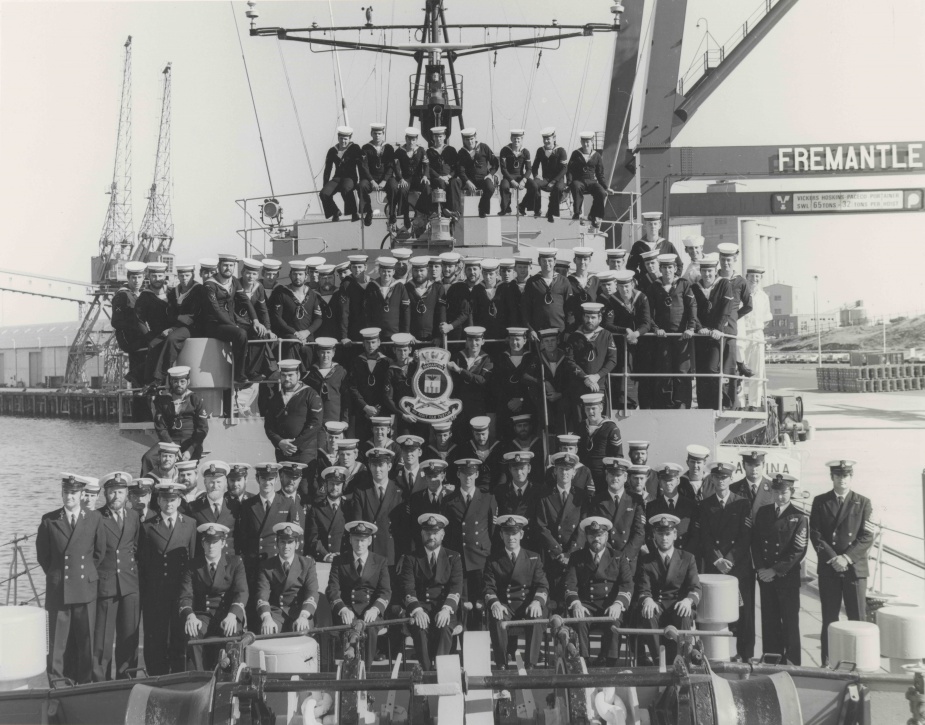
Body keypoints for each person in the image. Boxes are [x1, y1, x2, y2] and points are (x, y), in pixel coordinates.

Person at [37, 473, 106, 683]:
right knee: (57, 644)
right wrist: (58, 575)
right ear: (62, 493)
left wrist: (84, 575)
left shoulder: (94, 518)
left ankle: (84, 685)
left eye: (74, 493)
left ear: (81, 494)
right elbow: (43, 556)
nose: (70, 497)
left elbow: (99, 553)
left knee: (86, 642)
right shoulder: (49, 520)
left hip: (85, 589)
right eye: (66, 492)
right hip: (60, 590)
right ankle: (57, 683)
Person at [810, 460, 874, 665]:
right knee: (829, 618)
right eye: (838, 476)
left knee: (857, 619)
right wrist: (833, 558)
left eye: (845, 476)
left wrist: (846, 557)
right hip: (830, 568)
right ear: (832, 478)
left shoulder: (863, 502)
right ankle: (827, 663)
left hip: (854, 569)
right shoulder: (820, 502)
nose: (842, 479)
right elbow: (816, 534)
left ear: (851, 477)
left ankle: (859, 662)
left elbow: (867, 537)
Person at [693, 462, 754, 660]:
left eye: (725, 477)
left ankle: (745, 655)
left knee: (743, 612)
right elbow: (704, 537)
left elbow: (745, 536)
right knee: (711, 610)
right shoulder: (704, 505)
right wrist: (717, 559)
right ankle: (709, 652)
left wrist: (729, 559)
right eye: (717, 477)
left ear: (731, 479)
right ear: (712, 479)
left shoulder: (743, 503)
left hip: (737, 566)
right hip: (714, 566)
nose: (721, 481)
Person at [138, 481, 197, 675]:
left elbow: (193, 560)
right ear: (158, 501)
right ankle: (156, 676)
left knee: (179, 639)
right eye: (165, 499)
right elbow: (143, 563)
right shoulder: (147, 527)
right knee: (156, 640)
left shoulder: (190, 524)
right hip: (156, 593)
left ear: (179, 500)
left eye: (173, 499)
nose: (169, 504)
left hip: (180, 593)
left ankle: (179, 676)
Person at [751, 473, 808, 665]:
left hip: (786, 578)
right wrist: (760, 569)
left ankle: (792, 662)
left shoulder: (799, 517)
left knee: (790, 622)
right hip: (766, 577)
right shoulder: (763, 512)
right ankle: (771, 659)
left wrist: (774, 570)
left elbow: (798, 550)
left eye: (784, 492)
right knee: (769, 621)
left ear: (791, 492)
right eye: (776, 492)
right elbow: (756, 544)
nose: (780, 496)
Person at [564, 517, 635, 665]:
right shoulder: (577, 557)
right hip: (586, 605)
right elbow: (570, 584)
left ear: (607, 536)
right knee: (579, 619)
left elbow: (627, 584)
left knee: (613, 622)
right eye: (592, 535)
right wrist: (576, 603)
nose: (596, 539)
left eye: (600, 535)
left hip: (610, 604)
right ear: (586, 536)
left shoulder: (618, 556)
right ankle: (582, 661)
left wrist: (618, 604)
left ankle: (609, 661)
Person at [92, 472, 141, 682]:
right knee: (102, 641)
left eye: (120, 492)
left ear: (127, 494)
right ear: (105, 493)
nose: (116, 496)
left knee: (128, 640)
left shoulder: (133, 517)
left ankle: (126, 682)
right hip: (106, 586)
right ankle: (100, 684)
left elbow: (135, 547)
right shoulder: (96, 518)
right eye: (112, 492)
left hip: (130, 586)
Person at [236, 461, 300, 621]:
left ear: (276, 480)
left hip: (275, 566)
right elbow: (241, 538)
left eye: (271, 479)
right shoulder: (248, 505)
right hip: (254, 566)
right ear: (257, 479)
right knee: (254, 611)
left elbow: (295, 539)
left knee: (275, 608)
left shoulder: (287, 504)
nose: (267, 483)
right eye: (263, 478)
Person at [635, 513, 702, 664]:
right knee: (648, 613)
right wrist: (647, 600)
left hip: (679, 605)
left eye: (667, 534)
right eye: (660, 534)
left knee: (685, 613)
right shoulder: (646, 561)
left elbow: (695, 587)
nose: (664, 538)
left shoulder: (687, 558)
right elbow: (643, 588)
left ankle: (684, 659)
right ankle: (659, 660)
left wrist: (688, 601)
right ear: (654, 536)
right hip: (657, 606)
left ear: (675, 535)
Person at [179, 523, 248, 670]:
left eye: (215, 542)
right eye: (207, 542)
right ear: (202, 543)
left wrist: (232, 616)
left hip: (226, 614)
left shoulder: (235, 563)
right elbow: (185, 595)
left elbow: (241, 592)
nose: (211, 546)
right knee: (192, 631)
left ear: (223, 543)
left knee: (233, 631)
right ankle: (200, 676)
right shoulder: (193, 565)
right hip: (203, 616)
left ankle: (230, 675)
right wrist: (190, 616)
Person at [483, 514, 549, 667]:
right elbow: (488, 587)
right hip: (506, 606)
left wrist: (537, 602)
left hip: (527, 605)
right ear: (501, 535)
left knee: (537, 616)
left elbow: (542, 585)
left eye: (514, 533)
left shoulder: (533, 558)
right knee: (496, 617)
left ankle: (531, 664)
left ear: (521, 534)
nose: (511, 537)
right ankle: (501, 664)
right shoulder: (493, 560)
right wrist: (495, 604)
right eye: (507, 533)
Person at [400, 514, 463, 670]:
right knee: (420, 628)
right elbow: (408, 587)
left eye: (435, 533)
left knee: (445, 627)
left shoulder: (453, 557)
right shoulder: (411, 558)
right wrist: (417, 610)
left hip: (444, 607)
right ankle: (426, 671)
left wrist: (446, 609)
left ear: (442, 534)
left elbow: (456, 587)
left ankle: (441, 670)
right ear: (422, 534)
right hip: (421, 608)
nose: (431, 536)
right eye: (428, 533)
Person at [327, 521, 392, 667]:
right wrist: (342, 608)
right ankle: (348, 672)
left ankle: (365, 675)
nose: (359, 544)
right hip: (348, 609)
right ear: (350, 540)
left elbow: (385, 591)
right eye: (356, 540)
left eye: (363, 540)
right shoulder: (339, 561)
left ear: (369, 540)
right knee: (347, 631)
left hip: (371, 610)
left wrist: (376, 609)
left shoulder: (380, 561)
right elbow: (332, 589)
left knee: (371, 629)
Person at [443, 459, 497, 627]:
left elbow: (492, 530)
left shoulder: (488, 498)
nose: (468, 477)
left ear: (477, 474)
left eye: (471, 473)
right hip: (460, 559)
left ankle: (480, 646)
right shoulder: (449, 500)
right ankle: (462, 646)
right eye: (464, 473)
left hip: (481, 558)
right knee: (462, 604)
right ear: (458, 474)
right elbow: (447, 533)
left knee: (481, 604)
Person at [346, 448, 409, 587]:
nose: (377, 469)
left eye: (381, 465)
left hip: (392, 554)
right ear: (369, 466)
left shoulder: (400, 492)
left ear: (389, 466)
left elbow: (404, 530)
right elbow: (358, 527)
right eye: (374, 465)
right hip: (370, 554)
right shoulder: (361, 491)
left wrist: (403, 555)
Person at [199, 253, 263, 385]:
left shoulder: (233, 281)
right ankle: (238, 375)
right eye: (225, 265)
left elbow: (245, 300)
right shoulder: (209, 285)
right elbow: (215, 311)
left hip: (231, 323)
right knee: (240, 333)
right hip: (214, 325)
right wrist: (234, 326)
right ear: (219, 266)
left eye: (231, 265)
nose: (228, 268)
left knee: (260, 334)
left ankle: (250, 370)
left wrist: (256, 321)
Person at [536, 452, 589, 602]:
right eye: (560, 469)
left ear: (574, 472)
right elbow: (542, 526)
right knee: (554, 597)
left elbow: (582, 527)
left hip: (574, 554)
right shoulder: (545, 495)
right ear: (554, 471)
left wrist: (569, 553)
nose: (564, 473)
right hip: (553, 555)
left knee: (573, 594)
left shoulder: (581, 496)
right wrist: (559, 552)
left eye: (568, 470)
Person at [646, 255, 697, 410]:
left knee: (682, 370)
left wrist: (691, 327)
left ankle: (682, 403)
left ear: (675, 269)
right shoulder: (654, 287)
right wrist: (655, 329)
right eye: (664, 268)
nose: (667, 271)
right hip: (663, 337)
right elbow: (648, 312)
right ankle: (664, 403)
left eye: (670, 268)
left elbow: (692, 306)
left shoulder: (684, 284)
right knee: (664, 369)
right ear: (660, 269)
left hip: (681, 336)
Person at [142, 366, 209, 476]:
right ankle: (147, 490)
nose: (179, 385)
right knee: (148, 458)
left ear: (188, 381)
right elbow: (161, 428)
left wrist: (190, 450)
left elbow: (203, 429)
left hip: (190, 441)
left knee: (186, 469)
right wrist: (172, 446)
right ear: (171, 382)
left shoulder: (195, 400)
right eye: (175, 381)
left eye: (182, 381)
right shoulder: (163, 401)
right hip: (170, 441)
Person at [256, 523, 320, 634]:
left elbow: (312, 592)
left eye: (290, 542)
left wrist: (304, 616)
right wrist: (267, 618)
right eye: (282, 542)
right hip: (276, 613)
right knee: (268, 631)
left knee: (303, 630)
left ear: (297, 544)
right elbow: (262, 594)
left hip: (299, 611)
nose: (286, 547)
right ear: (277, 544)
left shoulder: (307, 564)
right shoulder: (267, 566)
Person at [691, 255, 737, 410]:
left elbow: (726, 308)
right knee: (701, 372)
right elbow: (693, 310)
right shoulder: (695, 288)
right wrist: (699, 327)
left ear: (715, 271)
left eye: (710, 271)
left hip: (716, 335)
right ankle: (704, 405)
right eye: (704, 271)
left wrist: (717, 329)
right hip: (700, 335)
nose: (707, 275)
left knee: (712, 369)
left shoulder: (724, 284)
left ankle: (717, 404)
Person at [565, 304, 618, 430]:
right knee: (580, 425)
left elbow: (612, 360)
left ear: (600, 318)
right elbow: (569, 361)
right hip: (579, 387)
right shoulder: (574, 337)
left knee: (600, 424)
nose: (590, 320)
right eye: (587, 317)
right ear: (583, 317)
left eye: (593, 317)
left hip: (598, 387)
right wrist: (585, 378)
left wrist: (596, 376)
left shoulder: (606, 335)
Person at [587, 458, 646, 566]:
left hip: (628, 559)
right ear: (606, 476)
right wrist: (608, 556)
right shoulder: (597, 500)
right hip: (605, 559)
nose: (615, 479)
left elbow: (639, 532)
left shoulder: (635, 500)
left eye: (618, 475)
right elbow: (596, 532)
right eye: (611, 475)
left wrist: (625, 557)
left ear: (625, 477)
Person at [263, 359, 324, 464]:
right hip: (282, 452)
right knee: (285, 480)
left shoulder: (310, 394)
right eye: (283, 375)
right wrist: (280, 442)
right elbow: (269, 425)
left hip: (305, 453)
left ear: (298, 375)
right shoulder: (276, 397)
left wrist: (295, 444)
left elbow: (316, 423)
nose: (287, 379)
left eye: (290, 375)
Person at [717, 243, 754, 408]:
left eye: (729, 260)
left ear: (735, 260)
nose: (726, 263)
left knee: (729, 367)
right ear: (719, 259)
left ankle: (729, 402)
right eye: (723, 259)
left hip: (730, 330)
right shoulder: (714, 278)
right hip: (714, 329)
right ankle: (714, 401)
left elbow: (749, 305)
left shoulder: (740, 282)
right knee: (713, 367)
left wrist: (734, 316)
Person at [269, 259, 323, 371]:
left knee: (307, 351)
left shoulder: (312, 294)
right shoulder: (281, 293)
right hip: (289, 335)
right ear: (290, 275)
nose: (297, 277)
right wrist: (295, 333)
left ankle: (305, 377)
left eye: (300, 274)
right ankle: (292, 374)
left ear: (306, 276)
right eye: (294, 274)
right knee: (292, 342)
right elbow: (277, 318)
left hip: (307, 337)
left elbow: (318, 318)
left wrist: (307, 332)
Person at [134, 261, 177, 385]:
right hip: (158, 334)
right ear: (149, 277)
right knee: (154, 350)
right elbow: (139, 320)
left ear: (164, 276)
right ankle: (155, 383)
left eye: (160, 276)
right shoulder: (145, 297)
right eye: (154, 276)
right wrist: (149, 337)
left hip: (175, 330)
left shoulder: (172, 293)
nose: (157, 279)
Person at [347, 327, 392, 442]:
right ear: (363, 344)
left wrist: (378, 408)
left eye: (373, 342)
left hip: (381, 410)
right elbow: (353, 387)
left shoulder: (387, 362)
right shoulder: (356, 361)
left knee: (382, 443)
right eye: (367, 342)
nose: (370, 345)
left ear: (379, 343)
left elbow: (389, 389)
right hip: (362, 411)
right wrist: (365, 407)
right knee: (363, 442)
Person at [522, 327, 570, 434]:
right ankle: (547, 435)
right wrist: (543, 383)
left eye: (552, 340)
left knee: (564, 406)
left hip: (562, 395)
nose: (550, 344)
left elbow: (571, 381)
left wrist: (560, 394)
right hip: (545, 396)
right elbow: (526, 376)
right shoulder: (539, 357)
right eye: (546, 341)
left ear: (557, 341)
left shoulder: (565, 356)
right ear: (542, 342)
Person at [448, 327, 494, 435]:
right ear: (466, 341)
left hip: (477, 406)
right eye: (470, 340)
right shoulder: (457, 357)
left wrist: (460, 370)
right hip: (458, 406)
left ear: (483, 341)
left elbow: (482, 380)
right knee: (459, 437)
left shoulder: (487, 359)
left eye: (477, 340)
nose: (474, 343)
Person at [739, 265, 772, 409]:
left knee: (757, 370)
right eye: (751, 276)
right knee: (739, 368)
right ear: (747, 278)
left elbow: (766, 318)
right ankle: (738, 402)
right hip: (742, 333)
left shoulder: (764, 297)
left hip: (757, 333)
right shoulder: (740, 293)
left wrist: (758, 328)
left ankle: (754, 404)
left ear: (761, 279)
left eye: (757, 277)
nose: (754, 279)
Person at [111, 260, 149, 387]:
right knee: (139, 381)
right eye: (133, 277)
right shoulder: (122, 296)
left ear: (144, 277)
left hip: (141, 339)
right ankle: (134, 377)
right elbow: (116, 322)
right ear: (128, 278)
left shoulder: (141, 295)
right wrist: (137, 328)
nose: (136, 281)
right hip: (132, 341)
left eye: (139, 277)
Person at [576, 393, 623, 493]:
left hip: (602, 476)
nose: (590, 412)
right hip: (583, 475)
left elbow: (617, 455)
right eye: (587, 409)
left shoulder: (611, 428)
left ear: (601, 408)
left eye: (594, 408)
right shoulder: (581, 426)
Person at [645, 463, 698, 552]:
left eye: (671, 480)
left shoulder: (691, 505)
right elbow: (649, 535)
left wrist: (685, 557)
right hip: (660, 557)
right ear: (660, 483)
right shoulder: (652, 506)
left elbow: (695, 535)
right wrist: (659, 555)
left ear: (678, 480)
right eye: (665, 480)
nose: (668, 483)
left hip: (685, 556)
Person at [521, 248, 572, 339]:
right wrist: (531, 329)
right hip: (538, 331)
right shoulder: (532, 282)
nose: (547, 264)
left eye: (550, 261)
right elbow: (526, 309)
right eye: (544, 261)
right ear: (539, 262)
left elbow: (570, 309)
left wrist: (568, 331)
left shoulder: (564, 281)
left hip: (560, 331)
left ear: (555, 262)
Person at [190, 461, 240, 552]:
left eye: (219, 482)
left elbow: (240, 537)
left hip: (229, 561)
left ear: (225, 483)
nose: (215, 486)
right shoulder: (194, 507)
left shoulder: (235, 506)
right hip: (204, 561)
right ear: (205, 482)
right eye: (211, 482)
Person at [567, 132, 611, 229]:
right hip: (579, 180)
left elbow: (600, 174)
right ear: (581, 142)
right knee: (576, 186)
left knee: (601, 193)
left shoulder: (597, 156)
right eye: (583, 142)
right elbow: (569, 170)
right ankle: (577, 213)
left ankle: (594, 215)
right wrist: (569, 183)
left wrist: (606, 187)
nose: (586, 144)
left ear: (592, 143)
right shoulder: (576, 154)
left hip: (591, 181)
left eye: (588, 142)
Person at [383, 334, 423, 438]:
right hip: (403, 414)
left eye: (405, 350)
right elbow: (388, 398)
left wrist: (419, 360)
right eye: (399, 351)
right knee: (405, 441)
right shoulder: (391, 371)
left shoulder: (417, 364)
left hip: (421, 411)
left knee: (422, 441)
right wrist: (402, 414)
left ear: (410, 350)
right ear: (394, 351)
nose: (402, 354)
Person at [452, 128, 498, 218]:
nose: (470, 142)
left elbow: (495, 163)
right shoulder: (461, 152)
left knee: (490, 188)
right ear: (464, 140)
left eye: (472, 139)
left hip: (483, 179)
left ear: (475, 137)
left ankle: (482, 208)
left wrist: (490, 174)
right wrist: (467, 181)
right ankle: (456, 211)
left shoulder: (484, 147)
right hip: (469, 180)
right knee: (454, 182)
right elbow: (460, 170)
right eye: (467, 139)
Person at [358, 122, 398, 226]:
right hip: (371, 177)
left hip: (385, 177)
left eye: (379, 133)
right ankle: (368, 212)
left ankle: (392, 212)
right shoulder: (365, 148)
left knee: (393, 186)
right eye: (375, 133)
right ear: (371, 134)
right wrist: (372, 181)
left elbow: (390, 166)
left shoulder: (388, 148)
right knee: (362, 186)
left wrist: (384, 181)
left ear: (383, 134)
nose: (377, 135)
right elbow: (364, 167)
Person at [304, 337, 349, 428]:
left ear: (333, 353)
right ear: (318, 353)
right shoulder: (311, 373)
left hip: (335, 417)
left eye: (328, 352)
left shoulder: (341, 371)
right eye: (322, 352)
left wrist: (345, 419)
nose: (325, 356)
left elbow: (346, 398)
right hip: (315, 418)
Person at [320, 126, 363, 221]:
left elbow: (361, 165)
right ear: (338, 138)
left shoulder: (355, 148)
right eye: (341, 138)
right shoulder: (332, 151)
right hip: (337, 178)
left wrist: (360, 180)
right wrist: (325, 184)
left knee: (345, 188)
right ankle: (335, 212)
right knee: (323, 193)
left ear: (349, 138)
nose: (343, 141)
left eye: (345, 139)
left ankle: (353, 213)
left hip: (350, 177)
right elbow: (328, 169)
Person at [626, 211, 683, 277]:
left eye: (655, 224)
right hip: (645, 285)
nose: (653, 226)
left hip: (663, 284)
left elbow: (679, 265)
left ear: (660, 225)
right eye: (650, 224)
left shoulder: (667, 245)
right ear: (645, 226)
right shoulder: (638, 246)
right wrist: (639, 280)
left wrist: (674, 278)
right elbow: (630, 267)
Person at [365, 257, 410, 337]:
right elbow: (367, 311)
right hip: (376, 333)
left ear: (393, 272)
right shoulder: (372, 286)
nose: (386, 274)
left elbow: (406, 311)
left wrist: (405, 332)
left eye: (389, 271)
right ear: (379, 271)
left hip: (395, 333)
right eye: (383, 271)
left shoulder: (399, 287)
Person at [393, 127, 429, 228]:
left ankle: (423, 211)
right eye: (409, 139)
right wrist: (401, 179)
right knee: (403, 190)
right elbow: (396, 167)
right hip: (406, 179)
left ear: (416, 140)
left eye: (413, 140)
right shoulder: (399, 151)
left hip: (418, 178)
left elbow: (426, 165)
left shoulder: (421, 150)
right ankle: (405, 216)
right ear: (406, 139)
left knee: (426, 187)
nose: (411, 142)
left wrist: (425, 176)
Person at [405, 256, 446, 344]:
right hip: (412, 339)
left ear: (427, 270)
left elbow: (441, 313)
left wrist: (439, 336)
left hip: (433, 338)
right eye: (416, 271)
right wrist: (407, 333)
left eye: (422, 270)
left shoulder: (437, 288)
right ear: (412, 271)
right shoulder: (406, 288)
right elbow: (403, 313)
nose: (419, 274)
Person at [532, 127, 568, 222]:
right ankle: (537, 210)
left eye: (548, 139)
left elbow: (564, 169)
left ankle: (551, 212)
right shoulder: (540, 151)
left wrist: (554, 181)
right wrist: (536, 175)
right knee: (534, 184)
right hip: (546, 179)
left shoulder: (561, 151)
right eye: (544, 139)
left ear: (554, 138)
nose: (546, 141)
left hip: (558, 179)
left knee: (558, 188)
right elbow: (534, 166)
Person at [498, 129, 536, 216]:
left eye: (519, 139)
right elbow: (503, 169)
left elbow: (529, 169)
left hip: (520, 177)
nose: (516, 141)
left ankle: (522, 206)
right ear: (511, 138)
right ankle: (506, 208)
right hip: (508, 177)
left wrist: (524, 180)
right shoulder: (505, 150)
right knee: (504, 186)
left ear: (522, 140)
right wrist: (512, 181)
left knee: (534, 186)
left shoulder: (525, 152)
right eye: (514, 138)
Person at [423, 126, 459, 217]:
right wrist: (439, 177)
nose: (438, 139)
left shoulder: (451, 150)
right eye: (436, 136)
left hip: (449, 177)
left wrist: (449, 176)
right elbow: (429, 167)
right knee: (439, 182)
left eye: (440, 136)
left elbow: (456, 167)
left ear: (444, 137)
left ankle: (453, 210)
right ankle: (443, 209)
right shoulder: (429, 152)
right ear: (433, 137)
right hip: (436, 178)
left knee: (454, 183)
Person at [730, 450, 776, 517]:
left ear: (763, 464)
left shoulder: (773, 488)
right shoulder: (733, 489)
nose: (754, 469)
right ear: (743, 465)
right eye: (749, 465)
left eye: (757, 465)